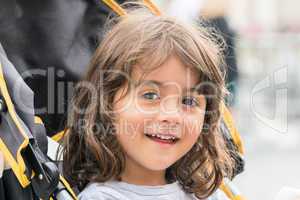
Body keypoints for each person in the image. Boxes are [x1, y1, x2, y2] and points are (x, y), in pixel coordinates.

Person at [62, 4, 234, 200]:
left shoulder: (209, 195)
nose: (171, 116)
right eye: (150, 95)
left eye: (188, 100)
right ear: (106, 104)